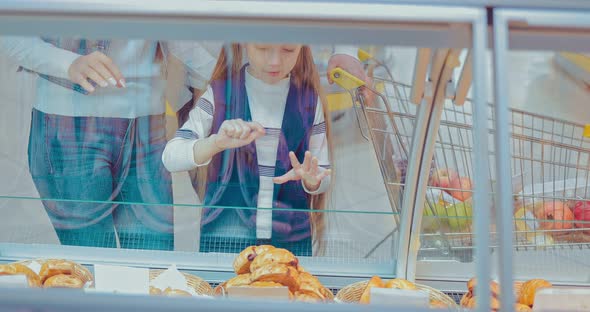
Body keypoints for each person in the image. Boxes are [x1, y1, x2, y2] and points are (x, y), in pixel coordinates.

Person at [0, 37, 219, 250]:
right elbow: (13, 30)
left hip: (145, 120)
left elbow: (171, 26)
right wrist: (66, 63)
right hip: (70, 121)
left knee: (153, 263)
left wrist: (226, 78)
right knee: (93, 263)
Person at [162, 43, 334, 256]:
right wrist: (215, 143)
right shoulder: (219, 94)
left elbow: (322, 175)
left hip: (290, 238)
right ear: (244, 43)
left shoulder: (309, 100)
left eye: (288, 50)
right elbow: (171, 156)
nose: (274, 62)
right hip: (226, 237)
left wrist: (312, 180)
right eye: (263, 48)